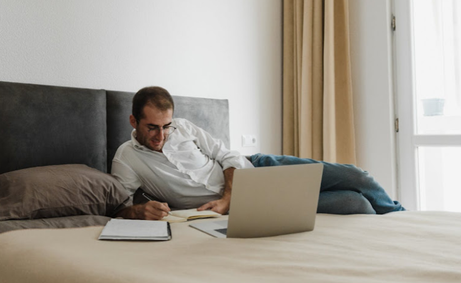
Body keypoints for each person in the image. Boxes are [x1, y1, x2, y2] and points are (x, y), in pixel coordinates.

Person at [112, 86, 405, 220]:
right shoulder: (127, 158)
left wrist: (228, 197)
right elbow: (118, 207)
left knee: (356, 175)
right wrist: (137, 211)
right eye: (152, 128)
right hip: (249, 207)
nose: (161, 136)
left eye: (166, 126)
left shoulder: (185, 127)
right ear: (133, 121)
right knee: (355, 204)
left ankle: (403, 220)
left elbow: (228, 157)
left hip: (258, 169)